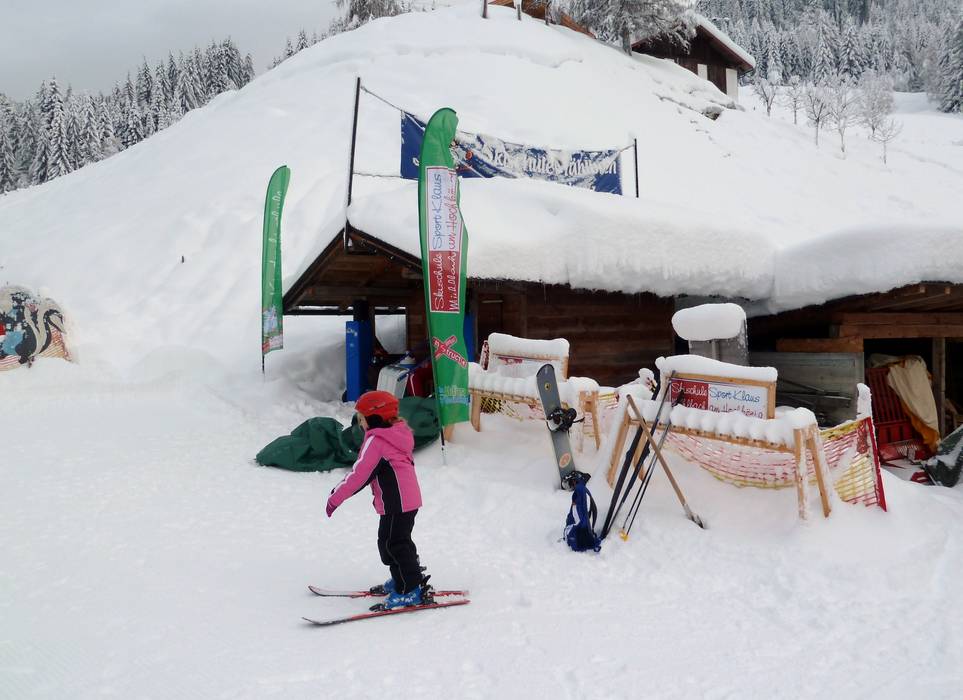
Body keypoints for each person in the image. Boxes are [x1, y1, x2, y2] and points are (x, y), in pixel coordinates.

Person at [325, 390, 427, 609]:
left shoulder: (377, 441)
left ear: (375, 417)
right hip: (404, 501)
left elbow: (359, 475)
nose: (360, 424)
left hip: (397, 503)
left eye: (362, 419)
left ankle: (409, 589)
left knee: (394, 544)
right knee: (395, 541)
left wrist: (336, 497)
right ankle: (405, 576)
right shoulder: (396, 433)